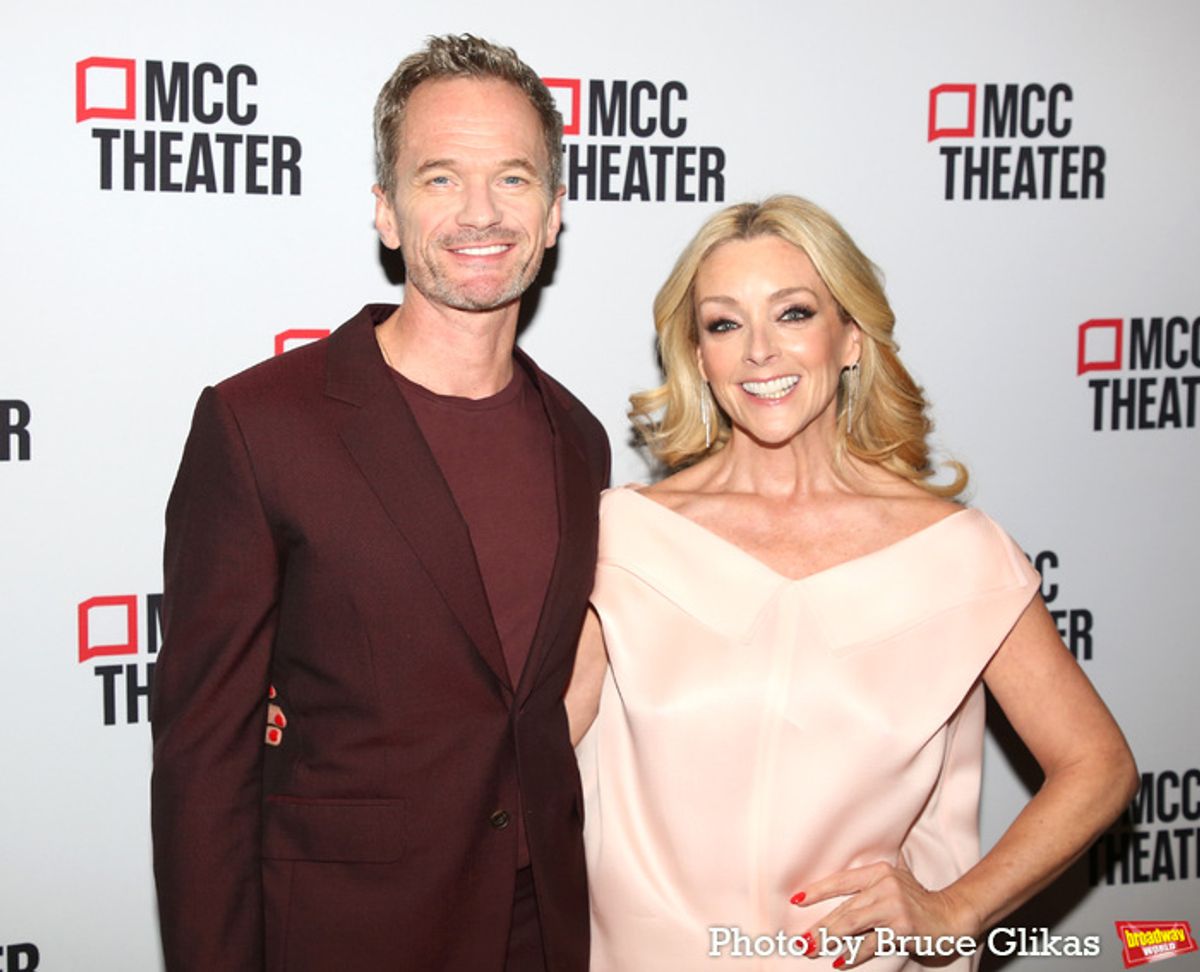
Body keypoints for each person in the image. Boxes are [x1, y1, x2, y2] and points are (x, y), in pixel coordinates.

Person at [564, 196, 1138, 969]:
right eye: (725, 323)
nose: (760, 352)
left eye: (794, 313)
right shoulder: (621, 538)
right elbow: (529, 760)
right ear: (699, 357)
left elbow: (1098, 766)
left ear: (851, 338)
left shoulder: (955, 554)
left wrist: (958, 907)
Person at [151, 34, 608, 972]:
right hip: (342, 934)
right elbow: (204, 759)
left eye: (514, 179)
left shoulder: (579, 439)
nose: (480, 212)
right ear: (386, 214)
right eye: (440, 178)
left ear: (556, 213)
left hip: (543, 933)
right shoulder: (260, 425)